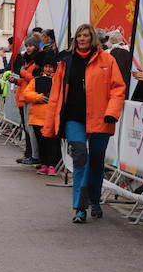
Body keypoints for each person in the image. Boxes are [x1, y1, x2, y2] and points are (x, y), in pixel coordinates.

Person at [43, 24, 124, 223]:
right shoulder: (66, 61)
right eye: (79, 35)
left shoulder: (107, 60)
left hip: (101, 118)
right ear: (75, 38)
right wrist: (51, 121)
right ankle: (80, 207)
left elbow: (118, 88)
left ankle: (94, 201)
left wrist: (112, 112)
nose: (82, 38)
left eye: (86, 35)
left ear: (92, 38)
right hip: (74, 118)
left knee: (96, 162)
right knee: (80, 157)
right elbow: (56, 93)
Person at [22, 53, 63, 175]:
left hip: (51, 118)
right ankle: (44, 164)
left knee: (52, 144)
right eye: (46, 67)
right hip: (37, 118)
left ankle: (52, 165)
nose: (48, 69)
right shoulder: (36, 80)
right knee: (41, 144)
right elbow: (26, 94)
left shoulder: (58, 81)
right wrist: (38, 97)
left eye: (51, 67)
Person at [11, 36, 41, 165]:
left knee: (30, 129)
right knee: (27, 129)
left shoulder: (36, 63)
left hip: (30, 98)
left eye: (31, 45)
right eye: (27, 45)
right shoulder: (27, 61)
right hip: (23, 97)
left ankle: (33, 155)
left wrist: (22, 73)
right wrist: (16, 80)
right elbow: (25, 80)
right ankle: (29, 153)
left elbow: (34, 79)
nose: (28, 48)